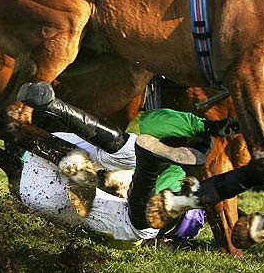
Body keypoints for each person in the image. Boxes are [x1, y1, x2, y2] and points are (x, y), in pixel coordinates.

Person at [16, 81, 240, 243]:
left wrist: (203, 127)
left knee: (134, 211)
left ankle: (52, 109)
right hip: (41, 177)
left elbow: (149, 124)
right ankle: (52, 105)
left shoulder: (143, 225)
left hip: (49, 188)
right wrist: (203, 126)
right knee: (128, 154)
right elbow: (147, 126)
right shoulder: (169, 174)